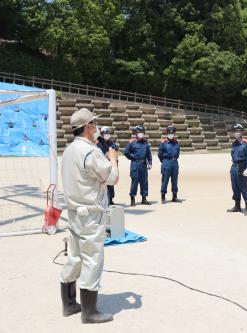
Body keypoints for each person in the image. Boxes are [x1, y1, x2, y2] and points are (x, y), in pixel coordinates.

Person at [60, 108, 119, 323]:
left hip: (74, 212)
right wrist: (112, 159)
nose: (96, 128)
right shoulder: (91, 152)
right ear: (87, 127)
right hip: (90, 214)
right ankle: (89, 311)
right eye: (94, 124)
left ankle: (69, 304)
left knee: (74, 258)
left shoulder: (68, 150)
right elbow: (112, 178)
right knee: (93, 259)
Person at [228, 124, 247, 215]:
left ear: (241, 132)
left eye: (237, 131)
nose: (235, 133)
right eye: (234, 132)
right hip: (234, 167)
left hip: (242, 167)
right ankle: (237, 206)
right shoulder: (234, 144)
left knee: (243, 187)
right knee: (235, 188)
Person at [124, 125, 152, 206]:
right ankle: (132, 199)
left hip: (143, 164)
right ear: (136, 133)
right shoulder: (132, 143)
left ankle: (144, 198)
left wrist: (150, 162)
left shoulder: (146, 143)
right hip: (135, 164)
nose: (141, 134)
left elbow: (149, 154)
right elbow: (126, 152)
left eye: (142, 132)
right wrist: (132, 158)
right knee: (135, 181)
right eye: (139, 132)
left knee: (144, 182)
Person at [158, 125, 181, 204]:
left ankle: (174, 196)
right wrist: (164, 162)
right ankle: (163, 197)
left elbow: (178, 154)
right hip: (166, 162)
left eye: (172, 133)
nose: (171, 134)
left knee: (175, 181)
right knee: (165, 181)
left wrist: (173, 160)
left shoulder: (176, 143)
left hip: (174, 163)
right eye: (169, 133)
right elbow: (160, 154)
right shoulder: (163, 143)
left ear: (174, 134)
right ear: (167, 133)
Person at [96, 126, 118, 205]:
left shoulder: (112, 143)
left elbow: (115, 154)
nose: (107, 135)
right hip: (102, 165)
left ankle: (111, 199)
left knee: (111, 184)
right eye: (105, 133)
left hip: (110, 165)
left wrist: (115, 164)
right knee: (102, 184)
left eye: (108, 133)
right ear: (101, 134)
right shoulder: (98, 143)